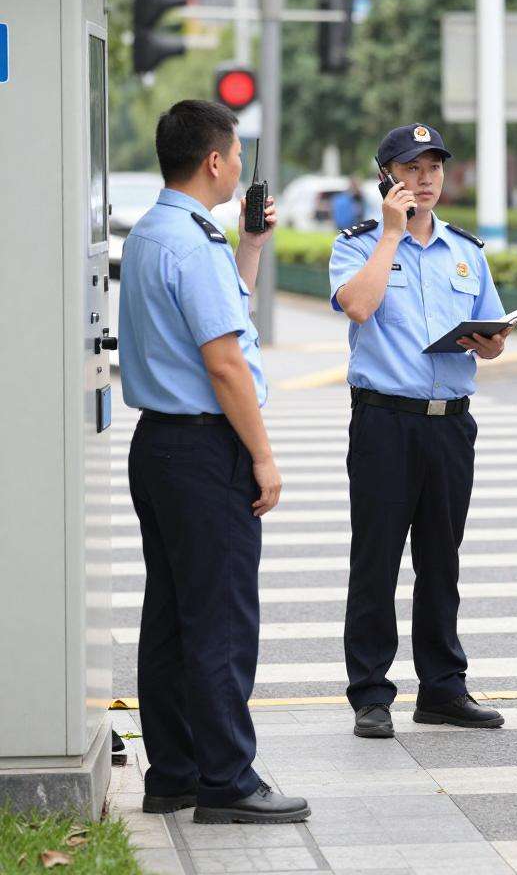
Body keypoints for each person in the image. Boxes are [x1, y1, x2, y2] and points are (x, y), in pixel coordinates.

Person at [119, 100, 309, 825]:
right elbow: (225, 362)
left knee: (171, 614)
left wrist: (250, 248)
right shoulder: (193, 244)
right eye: (233, 154)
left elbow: (216, 312)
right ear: (214, 161)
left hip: (160, 445)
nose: (236, 167)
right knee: (221, 618)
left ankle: (174, 773)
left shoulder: (155, 231)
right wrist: (263, 457)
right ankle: (228, 779)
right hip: (204, 449)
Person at [329, 123, 511, 738]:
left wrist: (491, 342)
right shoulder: (358, 244)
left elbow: (489, 336)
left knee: (441, 561)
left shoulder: (466, 250)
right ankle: (370, 692)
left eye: (433, 167)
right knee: (376, 559)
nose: (425, 178)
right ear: (387, 177)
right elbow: (358, 305)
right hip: (385, 420)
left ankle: (443, 688)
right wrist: (391, 233)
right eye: (411, 168)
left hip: (450, 425)